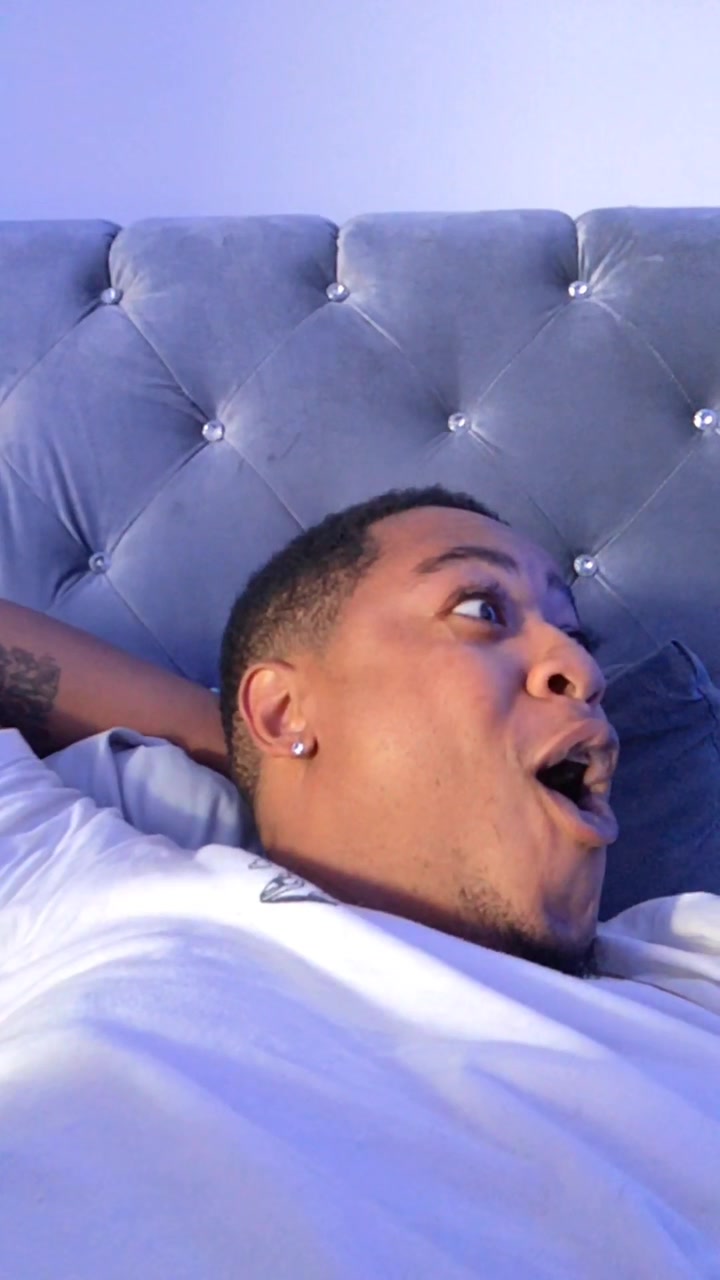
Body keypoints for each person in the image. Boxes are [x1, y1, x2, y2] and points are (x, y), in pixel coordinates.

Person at [1, 484, 719, 1279]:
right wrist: (254, 745)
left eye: (578, 637)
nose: (582, 669)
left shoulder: (691, 964)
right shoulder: (93, 890)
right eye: (481, 610)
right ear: (281, 710)